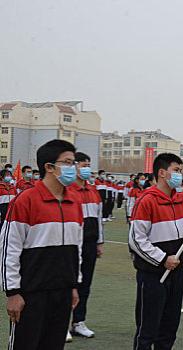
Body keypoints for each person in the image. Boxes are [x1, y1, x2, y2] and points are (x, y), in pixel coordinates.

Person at [0, 139, 83, 349]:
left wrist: (74, 284)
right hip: (31, 293)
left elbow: (77, 248)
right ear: (49, 167)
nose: (72, 168)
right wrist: (12, 292)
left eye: (73, 163)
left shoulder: (74, 202)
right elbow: (9, 248)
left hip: (63, 292)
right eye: (67, 162)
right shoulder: (25, 200)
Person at [128, 153, 183, 350]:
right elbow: (137, 240)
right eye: (176, 171)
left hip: (177, 273)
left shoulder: (182, 200)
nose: (180, 175)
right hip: (154, 275)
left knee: (169, 327)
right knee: (148, 329)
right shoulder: (147, 200)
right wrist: (162, 259)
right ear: (162, 173)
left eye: (181, 171)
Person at [69, 152, 104, 340]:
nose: (87, 168)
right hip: (73, 244)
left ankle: (78, 322)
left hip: (90, 244)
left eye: (88, 164)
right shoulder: (68, 190)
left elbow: (98, 219)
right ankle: (63, 323)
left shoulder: (93, 191)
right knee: (70, 283)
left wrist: (99, 242)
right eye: (83, 164)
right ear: (74, 166)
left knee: (86, 284)